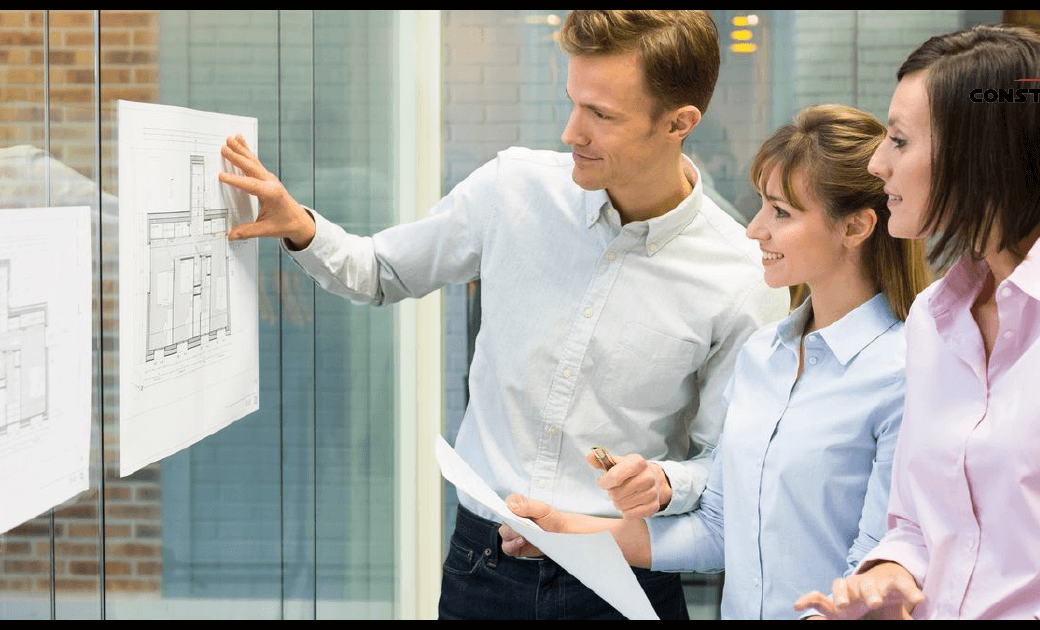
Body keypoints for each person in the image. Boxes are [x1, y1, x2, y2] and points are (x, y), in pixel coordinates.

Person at [217, 10, 781, 620]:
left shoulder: (739, 276)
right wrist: (301, 226)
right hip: (481, 568)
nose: (572, 132)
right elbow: (381, 272)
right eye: (574, 102)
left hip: (621, 583)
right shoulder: (511, 189)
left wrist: (666, 483)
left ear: (679, 123)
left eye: (602, 116)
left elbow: (721, 469)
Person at [794, 24, 1040, 620]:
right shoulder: (932, 316)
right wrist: (887, 580)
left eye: (897, 140)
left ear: (980, 152)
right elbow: (916, 526)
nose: (876, 163)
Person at [500, 103, 931, 620]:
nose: (754, 230)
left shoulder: (905, 374)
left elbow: (878, 569)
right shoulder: (762, 356)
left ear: (856, 227)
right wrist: (561, 530)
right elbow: (717, 529)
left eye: (781, 212)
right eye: (761, 207)